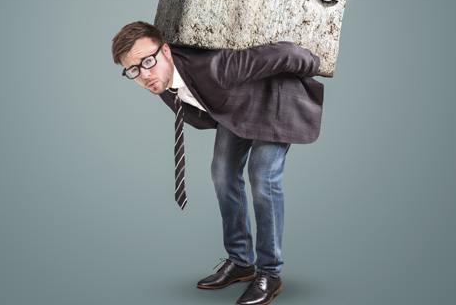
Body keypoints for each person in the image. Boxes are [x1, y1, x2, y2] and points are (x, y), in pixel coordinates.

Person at [111, 21, 324, 305]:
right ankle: (241, 262)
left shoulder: (215, 67)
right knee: (222, 173)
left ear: (166, 51)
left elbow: (285, 52)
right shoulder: (159, 83)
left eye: (148, 61)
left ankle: (270, 274)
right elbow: (199, 110)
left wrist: (313, 65)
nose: (145, 74)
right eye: (134, 70)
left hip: (275, 100)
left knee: (262, 177)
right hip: (236, 106)